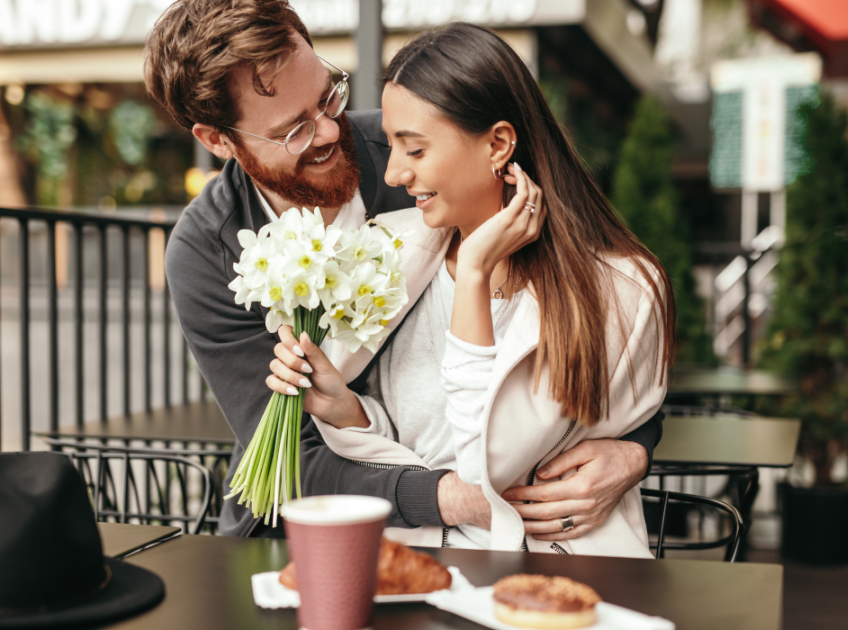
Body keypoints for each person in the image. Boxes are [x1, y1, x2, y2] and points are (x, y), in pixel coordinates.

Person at [144, 0, 663, 540]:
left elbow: (597, 310)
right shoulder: (208, 250)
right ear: (217, 141)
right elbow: (294, 460)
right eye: (293, 130)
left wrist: (633, 448)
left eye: (329, 97)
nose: (327, 132)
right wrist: (458, 498)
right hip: (308, 524)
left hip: (473, 525)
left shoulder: (428, 154)